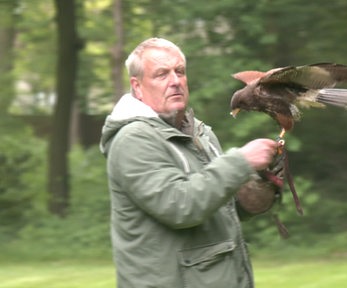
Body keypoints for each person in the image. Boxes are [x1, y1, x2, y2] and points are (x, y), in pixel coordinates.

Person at [100, 37, 283, 288]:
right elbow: (181, 206)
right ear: (137, 86)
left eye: (180, 71)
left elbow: (219, 206)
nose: (175, 81)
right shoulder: (132, 140)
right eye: (161, 74)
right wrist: (240, 161)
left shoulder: (200, 133)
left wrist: (259, 186)